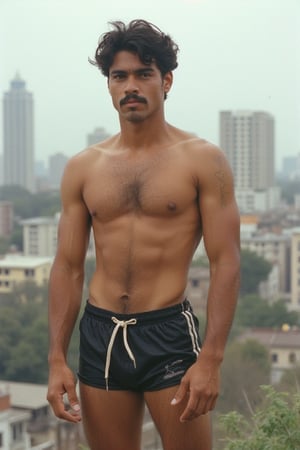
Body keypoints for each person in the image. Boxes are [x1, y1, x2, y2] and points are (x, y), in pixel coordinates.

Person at [47, 19, 240, 450]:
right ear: (109, 85)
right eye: (120, 76)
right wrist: (57, 358)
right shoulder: (84, 167)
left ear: (166, 80)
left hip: (168, 334)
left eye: (143, 74)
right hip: (100, 334)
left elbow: (226, 260)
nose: (130, 85)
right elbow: (68, 265)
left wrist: (211, 358)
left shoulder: (203, 160)